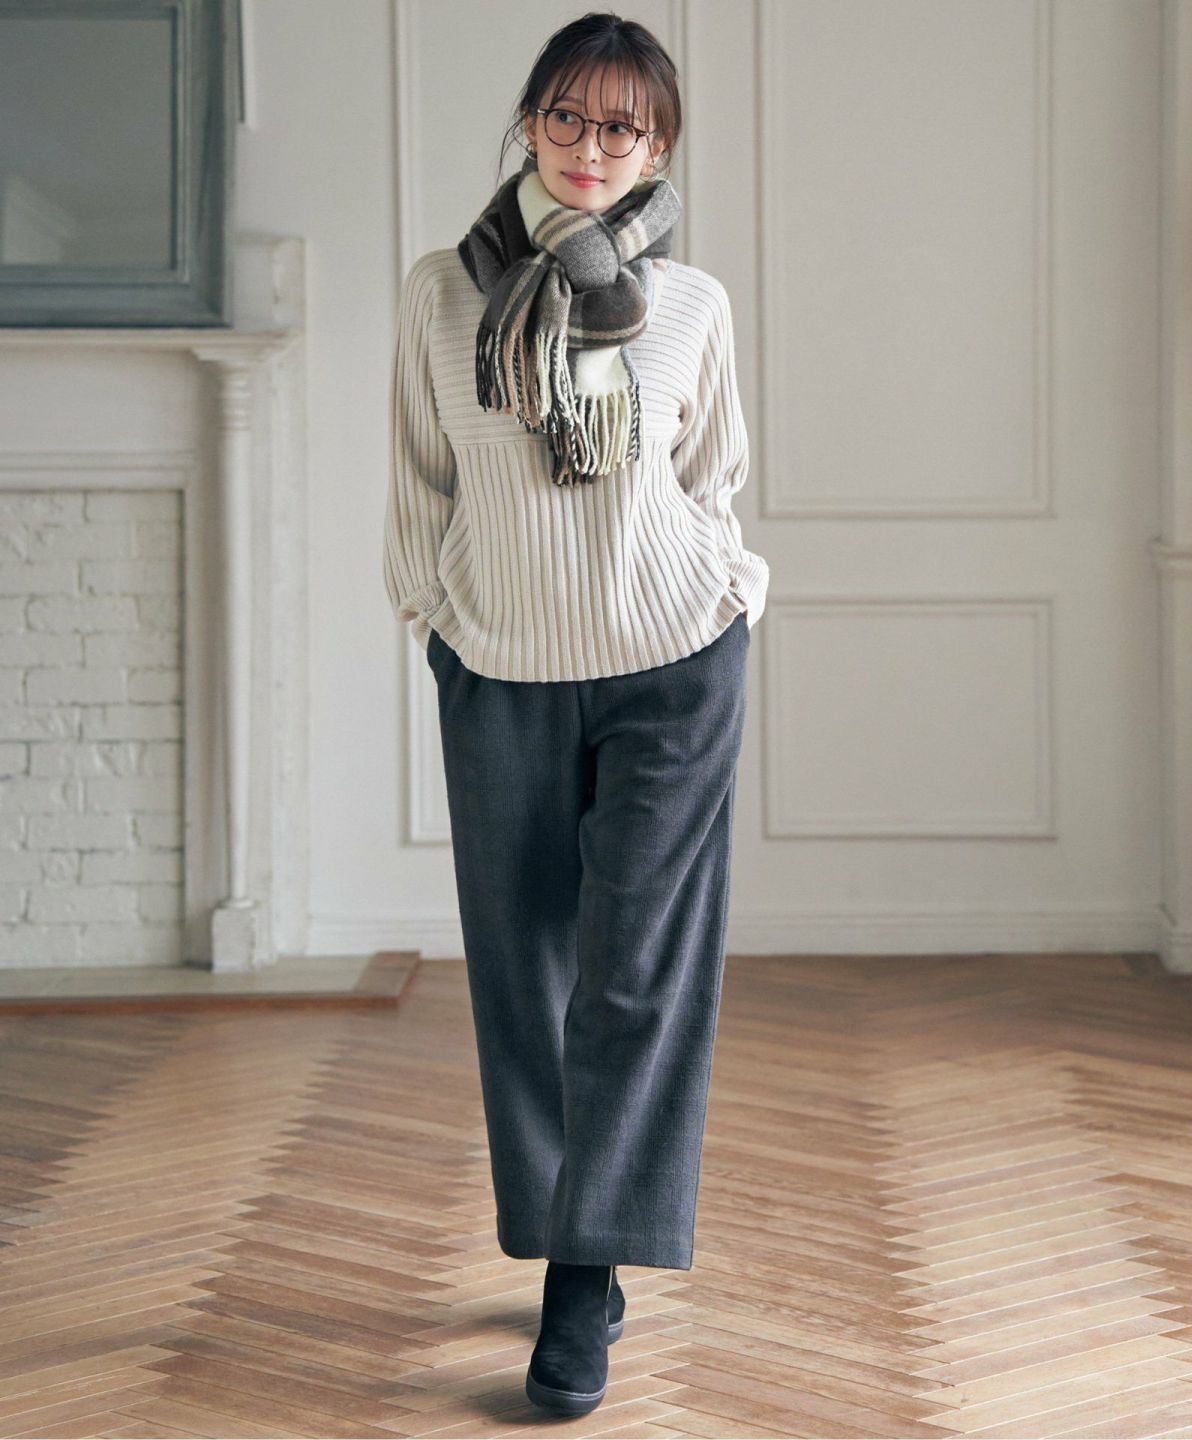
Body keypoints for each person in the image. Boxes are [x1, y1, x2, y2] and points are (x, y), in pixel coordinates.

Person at [382, 10, 768, 1418]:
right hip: (500, 666)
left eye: (622, 126)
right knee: (525, 976)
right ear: (531, 121)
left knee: (633, 974)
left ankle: (583, 1273)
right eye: (566, 116)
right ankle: (563, 1227)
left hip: (673, 660)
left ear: (656, 147)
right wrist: (438, 622)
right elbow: (420, 479)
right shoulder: (443, 291)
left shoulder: (691, 305)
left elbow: (713, 479)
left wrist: (728, 590)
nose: (589, 147)